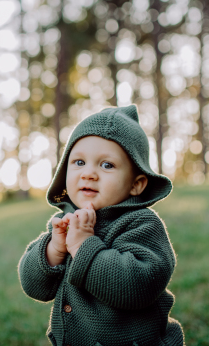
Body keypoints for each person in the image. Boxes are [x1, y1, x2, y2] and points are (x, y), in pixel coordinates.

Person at [18, 105, 184, 346]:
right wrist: (54, 250)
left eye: (107, 165)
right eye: (79, 162)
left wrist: (84, 246)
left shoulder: (141, 224)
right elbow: (34, 287)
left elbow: (139, 286)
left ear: (136, 184)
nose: (89, 174)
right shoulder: (67, 226)